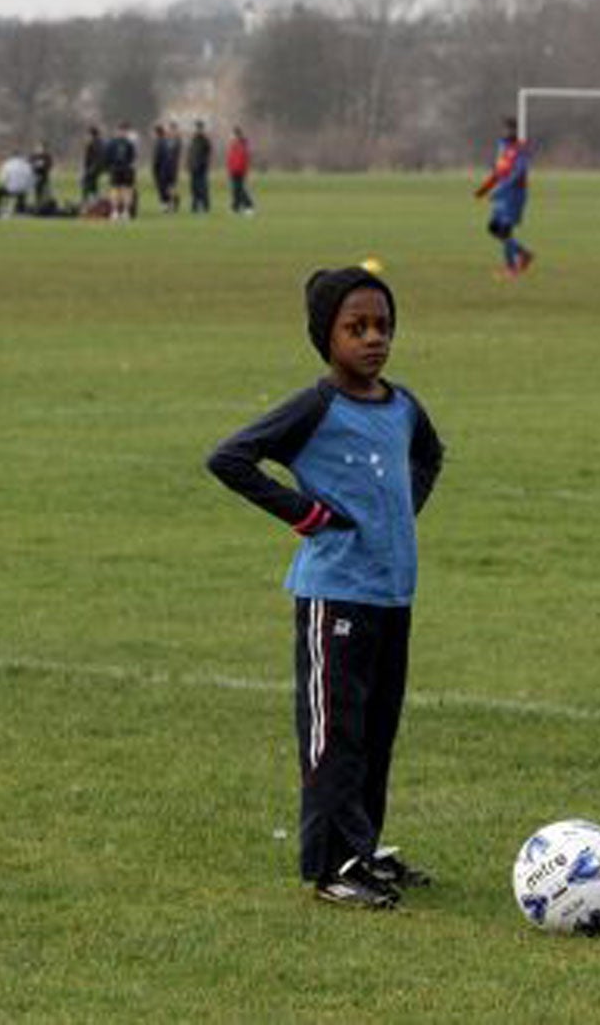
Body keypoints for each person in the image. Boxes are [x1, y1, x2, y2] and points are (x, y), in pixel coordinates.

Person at [205, 265, 445, 910]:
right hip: (334, 596)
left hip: (392, 594)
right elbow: (230, 458)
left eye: (383, 327)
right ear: (326, 336)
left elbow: (431, 454)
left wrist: (400, 511)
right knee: (332, 732)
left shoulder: (402, 405)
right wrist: (309, 517)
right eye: (356, 328)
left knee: (374, 729)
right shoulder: (314, 408)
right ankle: (329, 864)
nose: (374, 339)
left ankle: (363, 848)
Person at [474, 117, 535, 276]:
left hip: (514, 194)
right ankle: (523, 254)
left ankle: (512, 267)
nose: (507, 132)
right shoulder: (502, 146)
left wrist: (502, 190)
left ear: (516, 131)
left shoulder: (520, 149)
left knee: (505, 230)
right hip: (502, 193)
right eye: (506, 129)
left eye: (511, 129)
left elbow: (518, 173)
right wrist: (484, 189)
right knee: (494, 228)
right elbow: (498, 171)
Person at [104, 122, 139, 220]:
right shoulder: (112, 143)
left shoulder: (129, 144)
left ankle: (125, 212)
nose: (122, 132)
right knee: (115, 191)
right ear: (117, 131)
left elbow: (133, 158)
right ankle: (115, 211)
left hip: (126, 170)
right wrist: (108, 169)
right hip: (115, 169)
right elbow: (107, 158)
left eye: (124, 131)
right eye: (121, 130)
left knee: (126, 191)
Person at [0, 152, 35, 218]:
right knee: (22, 191)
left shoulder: (8, 164)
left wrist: (7, 184)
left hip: (10, 189)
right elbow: (30, 178)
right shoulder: (26, 165)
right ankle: (21, 210)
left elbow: (3, 179)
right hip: (22, 190)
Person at [152, 123, 180, 213]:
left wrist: (155, 169)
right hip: (170, 168)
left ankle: (167, 205)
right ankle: (170, 204)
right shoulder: (170, 142)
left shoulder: (161, 142)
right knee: (169, 187)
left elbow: (157, 157)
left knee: (166, 187)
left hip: (165, 169)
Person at [228, 126, 256, 215]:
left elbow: (244, 159)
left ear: (237, 135)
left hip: (239, 171)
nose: (231, 136)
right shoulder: (233, 145)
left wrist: (244, 171)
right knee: (235, 190)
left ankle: (249, 206)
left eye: (232, 134)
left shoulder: (241, 145)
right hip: (233, 171)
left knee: (240, 190)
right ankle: (235, 208)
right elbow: (231, 158)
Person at [188, 120, 213, 213]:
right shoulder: (193, 140)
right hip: (193, 168)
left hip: (201, 168)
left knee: (203, 188)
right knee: (194, 188)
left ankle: (205, 206)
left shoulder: (205, 140)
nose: (197, 130)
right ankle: (195, 206)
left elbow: (207, 154)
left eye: (199, 128)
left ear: (202, 129)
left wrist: (203, 164)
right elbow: (190, 153)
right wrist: (189, 164)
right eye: (196, 128)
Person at [81, 126, 105, 204]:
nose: (87, 137)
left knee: (87, 185)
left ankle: (87, 201)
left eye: (88, 135)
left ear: (91, 134)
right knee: (92, 185)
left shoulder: (96, 143)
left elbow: (98, 157)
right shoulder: (95, 142)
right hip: (91, 168)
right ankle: (93, 200)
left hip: (93, 168)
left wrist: (92, 168)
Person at [30, 142, 55, 211]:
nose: (40, 149)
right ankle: (37, 204)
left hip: (44, 176)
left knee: (46, 191)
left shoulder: (47, 156)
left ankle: (45, 204)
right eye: (39, 148)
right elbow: (30, 165)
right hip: (35, 176)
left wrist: (44, 167)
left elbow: (50, 165)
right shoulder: (33, 156)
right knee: (37, 191)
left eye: (42, 148)